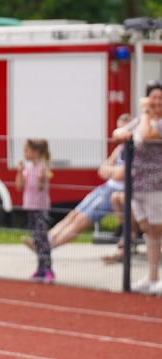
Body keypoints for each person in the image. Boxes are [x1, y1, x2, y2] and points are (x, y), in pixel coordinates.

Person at [21, 114, 132, 254]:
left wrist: (112, 171)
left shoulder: (135, 151)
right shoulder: (120, 149)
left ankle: (48, 247)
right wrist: (113, 171)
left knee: (82, 220)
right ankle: (45, 240)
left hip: (118, 192)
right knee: (74, 214)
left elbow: (120, 173)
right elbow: (103, 170)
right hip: (107, 187)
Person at [113, 79, 162, 294]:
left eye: (160, 98)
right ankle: (152, 277)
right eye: (153, 97)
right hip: (138, 184)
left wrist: (145, 112)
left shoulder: (153, 121)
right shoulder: (143, 120)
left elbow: (146, 135)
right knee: (147, 229)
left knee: (158, 229)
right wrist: (122, 134)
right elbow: (120, 132)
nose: (157, 101)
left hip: (156, 185)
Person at [16, 138, 54, 283]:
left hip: (40, 207)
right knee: (36, 239)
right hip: (30, 206)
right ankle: (40, 268)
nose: (24, 153)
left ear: (36, 152)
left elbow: (40, 187)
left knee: (42, 238)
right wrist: (19, 172)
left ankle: (48, 268)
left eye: (26, 150)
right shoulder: (28, 168)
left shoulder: (43, 167)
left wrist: (41, 178)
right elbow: (19, 186)